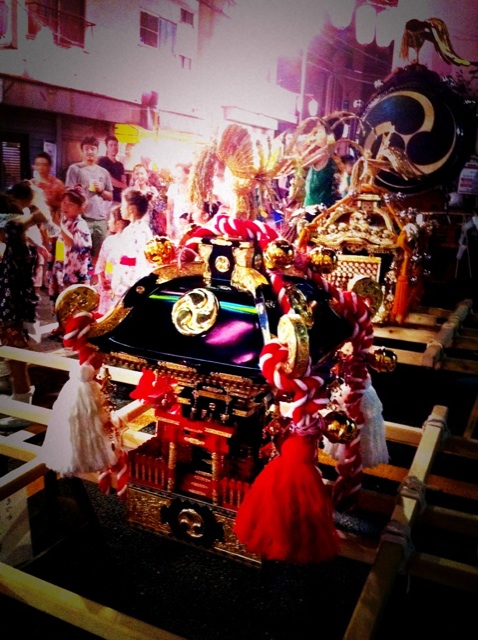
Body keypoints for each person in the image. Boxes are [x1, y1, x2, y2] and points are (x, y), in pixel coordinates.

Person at [0, 191, 48, 429]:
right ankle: (19, 400)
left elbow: (17, 224)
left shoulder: (17, 247)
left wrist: (30, 214)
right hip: (11, 309)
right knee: (14, 359)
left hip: (14, 311)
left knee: (16, 360)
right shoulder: (17, 246)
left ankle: (23, 409)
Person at [65, 136, 113, 263]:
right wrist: (78, 190)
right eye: (87, 149)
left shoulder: (104, 172)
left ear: (97, 151)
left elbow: (110, 196)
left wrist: (101, 190)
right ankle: (82, 274)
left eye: (93, 149)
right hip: (82, 218)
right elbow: (68, 193)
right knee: (79, 253)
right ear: (82, 151)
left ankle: (95, 276)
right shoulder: (75, 169)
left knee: (99, 254)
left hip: (100, 219)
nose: (90, 152)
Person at [48, 185, 92, 306]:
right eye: (64, 203)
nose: (65, 206)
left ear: (80, 208)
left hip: (74, 274)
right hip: (60, 268)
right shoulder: (65, 222)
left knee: (72, 307)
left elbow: (73, 243)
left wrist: (59, 225)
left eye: (70, 204)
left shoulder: (80, 224)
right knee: (59, 306)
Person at [110, 188, 154, 300]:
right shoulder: (129, 229)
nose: (120, 208)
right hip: (123, 278)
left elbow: (141, 261)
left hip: (131, 281)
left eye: (123, 205)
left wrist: (134, 285)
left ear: (131, 209)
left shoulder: (141, 231)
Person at [94, 205, 130, 316]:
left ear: (119, 223)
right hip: (106, 286)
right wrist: (101, 278)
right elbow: (102, 262)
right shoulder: (109, 241)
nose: (108, 222)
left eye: (111, 219)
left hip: (121, 285)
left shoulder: (129, 241)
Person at [130, 163, 166, 236]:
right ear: (133, 176)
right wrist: (137, 192)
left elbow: (161, 208)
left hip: (151, 225)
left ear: (147, 175)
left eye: (142, 173)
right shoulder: (130, 191)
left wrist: (153, 200)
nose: (140, 176)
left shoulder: (152, 190)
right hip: (136, 225)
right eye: (137, 174)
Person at [165, 162, 194, 239]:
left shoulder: (193, 188)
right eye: (176, 172)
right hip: (176, 225)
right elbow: (169, 208)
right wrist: (168, 225)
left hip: (190, 224)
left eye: (179, 172)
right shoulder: (173, 188)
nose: (176, 175)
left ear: (187, 174)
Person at [98, 135, 127, 205]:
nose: (114, 147)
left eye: (115, 145)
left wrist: (124, 192)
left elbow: (124, 180)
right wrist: (123, 186)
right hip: (106, 199)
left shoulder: (120, 165)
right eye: (111, 145)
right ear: (107, 147)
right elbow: (109, 179)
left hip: (119, 199)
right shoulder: (103, 161)